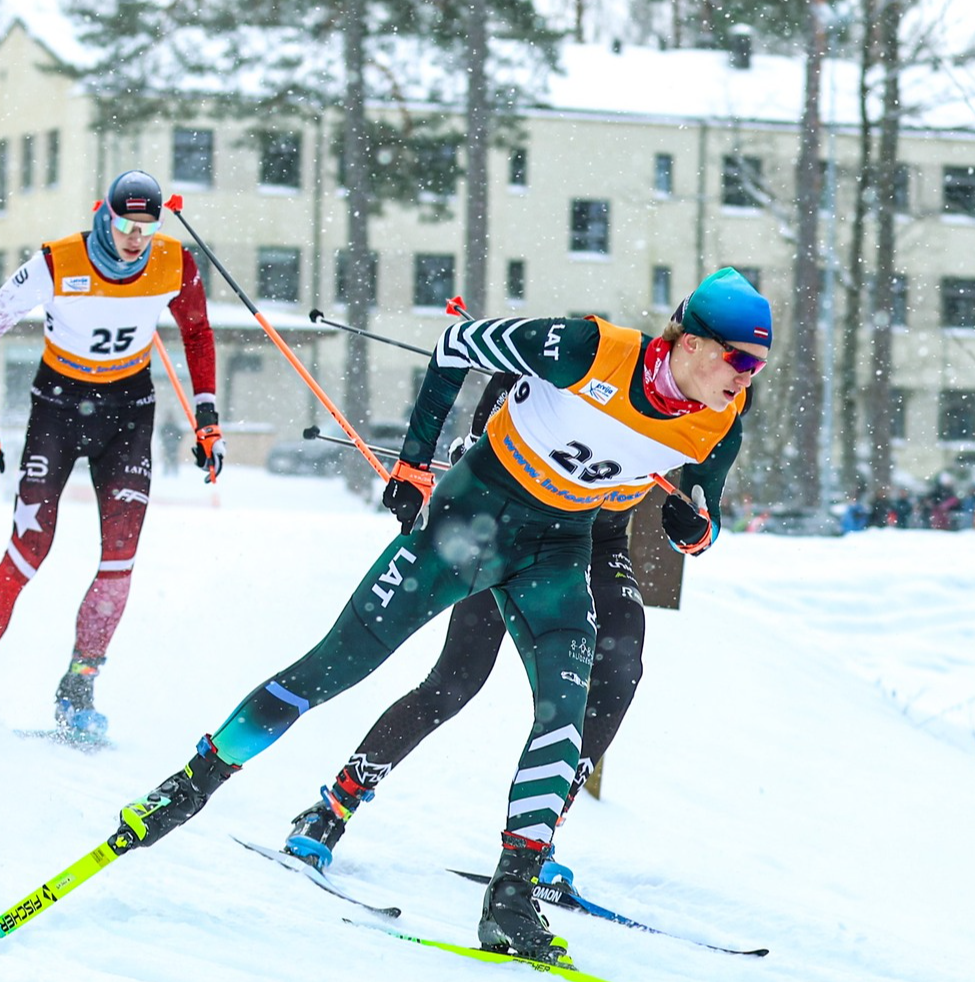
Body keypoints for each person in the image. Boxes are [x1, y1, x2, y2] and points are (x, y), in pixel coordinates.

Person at [97, 269, 768, 968]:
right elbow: (455, 345)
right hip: (474, 518)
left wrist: (695, 529)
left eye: (758, 368)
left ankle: (512, 894)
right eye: (739, 360)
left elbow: (704, 518)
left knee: (566, 710)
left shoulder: (721, 424)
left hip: (561, 547)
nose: (745, 379)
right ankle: (195, 781)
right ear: (689, 342)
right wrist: (416, 463)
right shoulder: (587, 348)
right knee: (337, 667)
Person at [274, 352, 744, 898]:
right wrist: (458, 455)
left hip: (600, 543)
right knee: (454, 682)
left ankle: (535, 843)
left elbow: (701, 529)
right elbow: (482, 444)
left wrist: (694, 525)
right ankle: (335, 806)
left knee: (620, 669)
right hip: (518, 535)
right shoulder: (575, 360)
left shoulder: (709, 413)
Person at [0, 170, 219, 740]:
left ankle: (79, 686)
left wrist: (206, 419)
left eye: (145, 227)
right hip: (58, 408)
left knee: (119, 559)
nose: (135, 238)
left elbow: (199, 333)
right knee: (27, 553)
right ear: (101, 215)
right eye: (124, 224)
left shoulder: (174, 263)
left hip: (129, 411)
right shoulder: (57, 261)